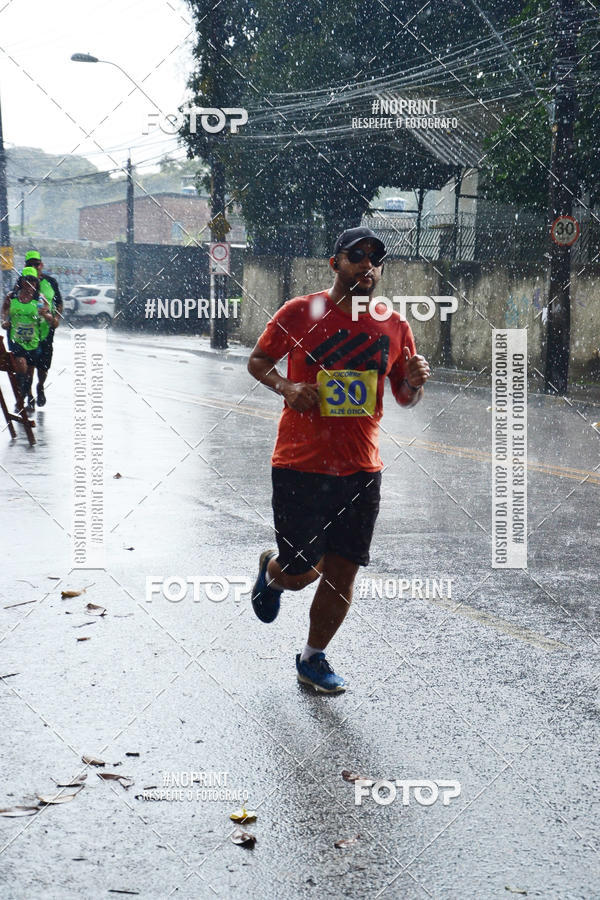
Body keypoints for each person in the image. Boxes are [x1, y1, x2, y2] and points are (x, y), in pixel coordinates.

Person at [247, 226, 431, 694]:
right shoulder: (300, 311)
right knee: (301, 572)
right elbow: (258, 361)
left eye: (375, 259)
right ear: (335, 264)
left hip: (361, 471)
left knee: (342, 572)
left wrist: (412, 380)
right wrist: (287, 387)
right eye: (356, 257)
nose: (367, 266)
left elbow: (404, 397)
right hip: (300, 465)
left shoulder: (393, 324)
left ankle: (312, 658)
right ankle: (273, 572)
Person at [1, 267, 53, 413]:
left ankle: (26, 397)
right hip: (16, 339)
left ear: (36, 283)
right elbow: (4, 311)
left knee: (29, 373)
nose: (30, 283)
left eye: (33, 281)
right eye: (27, 280)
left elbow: (48, 317)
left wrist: (45, 316)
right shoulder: (12, 297)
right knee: (21, 365)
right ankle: (21, 397)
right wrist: (5, 321)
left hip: (33, 341)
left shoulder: (39, 299)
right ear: (21, 281)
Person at [23, 251, 62, 407]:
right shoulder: (22, 283)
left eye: (36, 264)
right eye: (30, 264)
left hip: (47, 330)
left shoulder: (51, 282)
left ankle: (40, 386)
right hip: (28, 332)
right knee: (29, 365)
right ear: (26, 266)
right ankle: (29, 395)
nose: (34, 267)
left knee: (43, 366)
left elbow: (59, 303)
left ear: (41, 265)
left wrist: (55, 318)